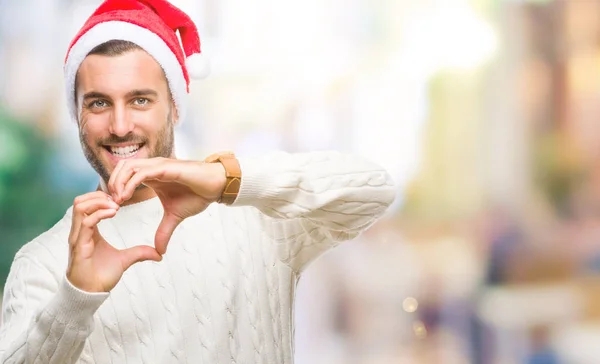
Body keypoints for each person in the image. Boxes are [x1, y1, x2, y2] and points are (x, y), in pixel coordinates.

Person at [0, 0, 396, 363]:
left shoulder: (253, 214)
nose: (120, 126)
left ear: (175, 106)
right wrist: (76, 299)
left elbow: (375, 190)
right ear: (78, 115)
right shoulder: (44, 263)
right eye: (99, 103)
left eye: (140, 100)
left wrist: (228, 178)